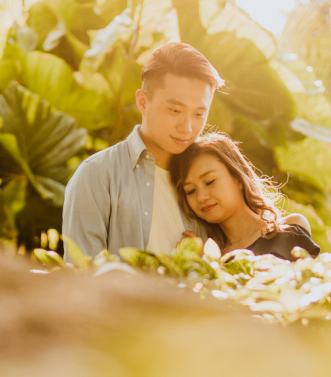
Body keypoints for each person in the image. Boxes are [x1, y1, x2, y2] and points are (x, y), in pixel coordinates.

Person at [62, 42, 223, 260]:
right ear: (143, 102)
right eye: (175, 110)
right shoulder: (97, 175)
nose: (187, 128)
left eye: (199, 114)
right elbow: (82, 273)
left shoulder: (212, 179)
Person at [170, 131, 320, 259]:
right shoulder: (215, 256)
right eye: (190, 191)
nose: (201, 197)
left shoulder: (290, 230)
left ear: (239, 178)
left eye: (210, 181)